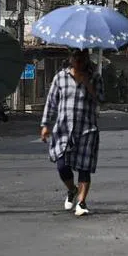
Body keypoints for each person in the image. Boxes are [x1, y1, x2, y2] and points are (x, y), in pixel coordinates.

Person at [41, 49, 104, 217]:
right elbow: (51, 102)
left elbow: (101, 99)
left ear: (87, 59)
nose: (79, 60)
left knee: (84, 168)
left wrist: (88, 85)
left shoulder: (95, 77)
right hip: (63, 129)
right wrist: (45, 125)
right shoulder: (60, 77)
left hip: (87, 128)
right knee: (62, 165)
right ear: (70, 58)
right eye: (75, 57)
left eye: (82, 57)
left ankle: (82, 203)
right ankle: (72, 189)